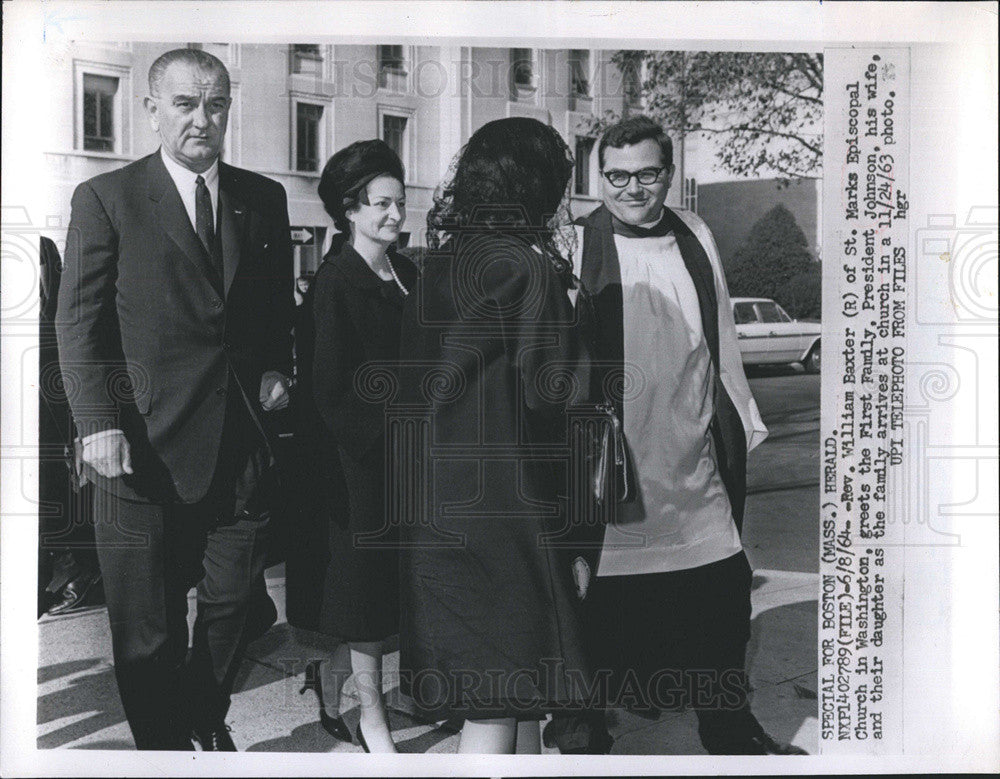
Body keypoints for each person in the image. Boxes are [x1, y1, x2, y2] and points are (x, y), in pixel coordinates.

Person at [543, 115, 806, 755]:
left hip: (693, 458)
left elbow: (719, 334)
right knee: (598, 605)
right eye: (617, 176)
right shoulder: (575, 244)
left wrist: (738, 418)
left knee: (720, 598)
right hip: (613, 464)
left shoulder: (695, 232)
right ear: (598, 176)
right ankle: (585, 731)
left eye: (648, 174)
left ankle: (727, 725)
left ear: (668, 172)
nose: (633, 188)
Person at [55, 48, 294, 751]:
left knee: (233, 601)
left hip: (237, 444)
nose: (202, 118)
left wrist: (276, 370)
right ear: (151, 108)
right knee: (147, 625)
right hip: (139, 447)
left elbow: (273, 310)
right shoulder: (107, 199)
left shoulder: (264, 199)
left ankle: (197, 710)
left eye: (216, 104)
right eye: (186, 103)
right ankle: (164, 754)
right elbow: (78, 322)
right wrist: (97, 425)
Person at [397, 117, 596, 754]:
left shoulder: (438, 265)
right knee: (502, 701)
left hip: (435, 506)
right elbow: (548, 396)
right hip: (508, 510)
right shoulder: (530, 270)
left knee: (503, 698)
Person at [309, 139, 418, 753]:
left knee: (404, 588)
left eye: (401, 204)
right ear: (350, 210)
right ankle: (370, 719)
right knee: (368, 599)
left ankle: (334, 678)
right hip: (363, 465)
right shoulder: (336, 283)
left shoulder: (407, 272)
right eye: (382, 205)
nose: (396, 216)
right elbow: (329, 391)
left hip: (414, 457)